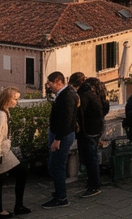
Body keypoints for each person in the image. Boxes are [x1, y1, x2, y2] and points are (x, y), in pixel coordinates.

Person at [0, 87, 30, 219]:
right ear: (8, 99)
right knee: (20, 172)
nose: (16, 102)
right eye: (15, 99)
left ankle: (2, 209)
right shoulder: (1, 115)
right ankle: (11, 208)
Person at [43, 71, 77, 208]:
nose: (49, 86)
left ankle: (61, 197)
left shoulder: (67, 96)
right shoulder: (64, 94)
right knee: (56, 165)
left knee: (56, 165)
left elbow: (66, 120)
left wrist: (58, 139)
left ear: (58, 82)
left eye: (50, 84)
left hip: (62, 136)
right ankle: (59, 191)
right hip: (60, 134)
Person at [75, 75, 107, 198]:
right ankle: (93, 183)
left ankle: (94, 185)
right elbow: (105, 109)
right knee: (92, 157)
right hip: (97, 129)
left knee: (90, 158)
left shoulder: (84, 95)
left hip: (88, 131)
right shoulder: (98, 94)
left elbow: (80, 113)